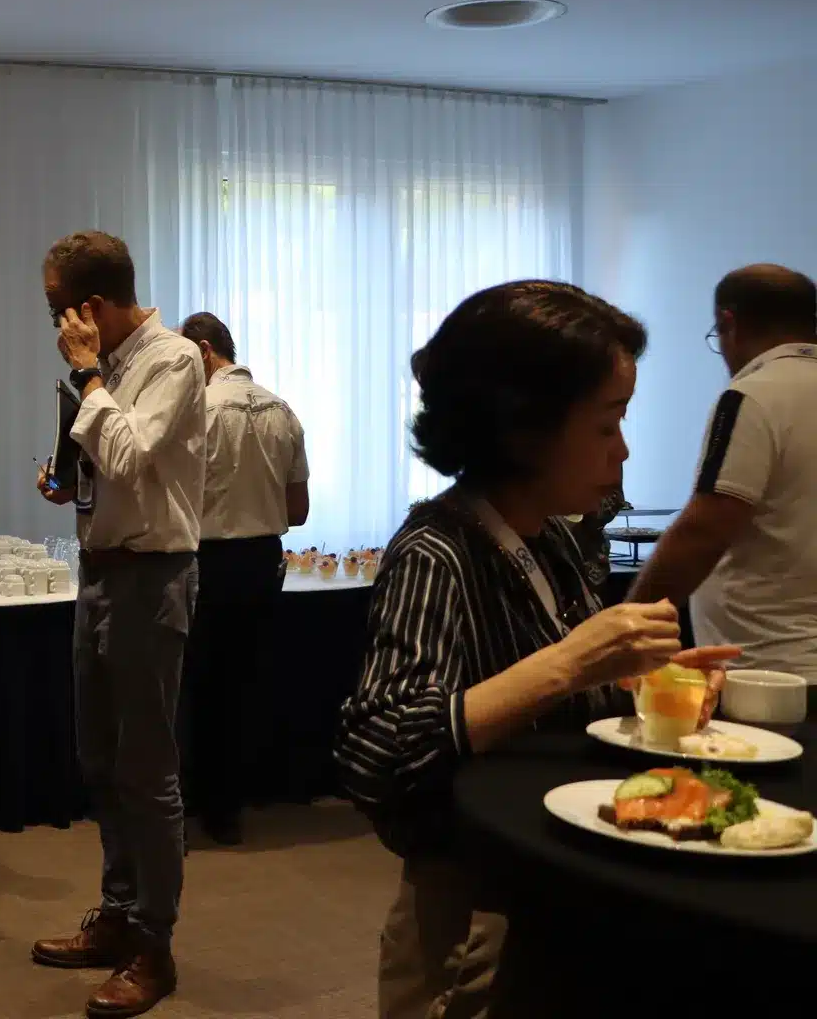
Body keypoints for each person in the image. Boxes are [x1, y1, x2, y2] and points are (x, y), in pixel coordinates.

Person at [332, 280, 737, 1019]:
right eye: (607, 423)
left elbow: (554, 693)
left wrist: (645, 680)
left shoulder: (551, 538)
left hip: (546, 890)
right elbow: (380, 751)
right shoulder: (438, 551)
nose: (623, 450)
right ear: (522, 429)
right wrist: (575, 660)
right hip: (473, 914)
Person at [31, 231, 206, 1019]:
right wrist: (68, 482)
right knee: (100, 759)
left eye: (58, 310)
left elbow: (133, 455)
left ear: (92, 307)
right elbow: (112, 469)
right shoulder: (109, 368)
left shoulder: (173, 359)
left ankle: (153, 946)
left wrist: (87, 375)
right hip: (100, 570)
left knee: (146, 769)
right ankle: (117, 913)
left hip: (152, 578)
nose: (56, 325)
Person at [629, 265, 817, 679]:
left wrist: (627, 630)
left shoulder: (753, 395)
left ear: (728, 322)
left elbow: (705, 530)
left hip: (765, 666)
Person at [176, 311, 308, 845]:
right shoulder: (283, 410)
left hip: (205, 561)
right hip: (263, 563)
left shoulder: (198, 411)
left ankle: (191, 802)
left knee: (195, 684)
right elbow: (298, 511)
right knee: (243, 682)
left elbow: (176, 499)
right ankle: (229, 807)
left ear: (205, 352)